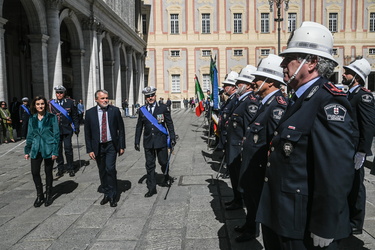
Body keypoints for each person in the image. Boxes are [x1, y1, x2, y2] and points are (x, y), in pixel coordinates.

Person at [256, 22, 355, 249]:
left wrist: (325, 225)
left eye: (289, 57)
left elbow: (335, 171)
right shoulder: (301, 99)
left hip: (301, 222)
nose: (282, 64)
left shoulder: (327, 101)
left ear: (310, 62)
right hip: (283, 214)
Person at [236, 54, 287, 242]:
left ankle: (254, 230)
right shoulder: (265, 103)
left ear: (271, 82)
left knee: (260, 206)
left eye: (258, 78)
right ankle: (250, 226)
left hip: (261, 169)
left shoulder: (276, 107)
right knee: (251, 200)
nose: (254, 82)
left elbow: (276, 143)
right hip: (253, 165)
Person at [342, 58, 375, 235]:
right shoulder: (351, 94)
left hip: (356, 148)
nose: (344, 74)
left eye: (347, 72)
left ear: (356, 76)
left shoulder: (363, 96)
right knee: (349, 184)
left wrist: (362, 151)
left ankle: (356, 221)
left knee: (357, 186)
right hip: (347, 147)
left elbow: (368, 126)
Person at [225, 65, 259, 211]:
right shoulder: (241, 100)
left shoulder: (250, 102)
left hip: (239, 147)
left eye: (239, 82)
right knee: (234, 175)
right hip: (233, 145)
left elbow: (250, 127)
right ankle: (237, 199)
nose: (236, 85)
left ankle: (241, 200)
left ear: (247, 85)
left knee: (240, 178)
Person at [84, 90, 125, 207]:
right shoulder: (90, 113)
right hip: (98, 146)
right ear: (96, 100)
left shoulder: (114, 111)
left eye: (106, 98)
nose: (105, 100)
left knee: (110, 169)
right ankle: (106, 193)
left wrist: (121, 146)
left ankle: (113, 195)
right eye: (102, 98)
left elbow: (121, 130)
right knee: (102, 170)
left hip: (111, 145)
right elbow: (87, 133)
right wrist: (89, 149)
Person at [135, 86, 176, 197]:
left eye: (152, 95)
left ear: (155, 96)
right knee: (150, 165)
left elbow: (169, 123)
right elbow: (139, 127)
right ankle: (152, 188)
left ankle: (166, 175)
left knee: (163, 162)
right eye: (148, 96)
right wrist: (136, 141)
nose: (150, 98)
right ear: (145, 98)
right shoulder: (142, 110)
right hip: (148, 142)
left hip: (160, 140)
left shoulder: (163, 108)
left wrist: (172, 137)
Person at [24, 96, 60, 207]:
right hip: (36, 149)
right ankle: (40, 195)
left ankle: (49, 195)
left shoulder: (52, 117)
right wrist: (27, 150)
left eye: (42, 104)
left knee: (48, 172)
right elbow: (29, 135)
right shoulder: (32, 119)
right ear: (34, 106)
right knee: (35, 172)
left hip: (48, 148)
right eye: (38, 104)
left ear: (46, 105)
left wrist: (55, 151)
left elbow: (56, 135)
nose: (40, 106)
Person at [49, 85, 79, 177]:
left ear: (64, 93)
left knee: (68, 149)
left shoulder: (70, 102)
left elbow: (74, 116)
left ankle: (70, 168)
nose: (59, 94)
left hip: (67, 130)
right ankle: (60, 168)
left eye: (61, 92)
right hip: (56, 131)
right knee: (58, 150)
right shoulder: (51, 103)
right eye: (57, 92)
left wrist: (76, 127)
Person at [217, 71, 238, 151]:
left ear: (233, 87)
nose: (223, 87)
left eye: (226, 85)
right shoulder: (230, 99)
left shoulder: (235, 99)